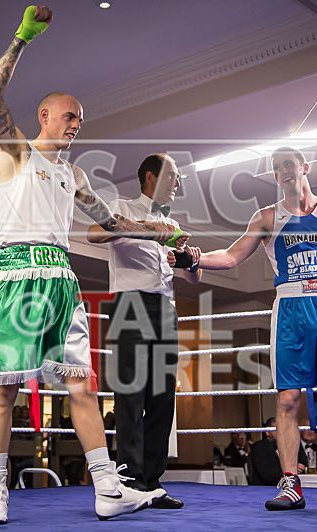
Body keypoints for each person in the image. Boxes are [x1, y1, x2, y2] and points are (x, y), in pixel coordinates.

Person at [0, 5, 186, 524]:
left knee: (82, 387)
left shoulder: (74, 175)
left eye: (81, 120)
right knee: (4, 390)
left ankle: (107, 490)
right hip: (18, 276)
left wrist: (155, 229)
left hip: (62, 281)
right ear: (46, 115)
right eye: (70, 115)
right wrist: (21, 39)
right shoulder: (18, 151)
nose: (76, 124)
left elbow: (110, 221)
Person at [194, 147, 317, 509]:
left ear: (305, 167)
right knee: (288, 398)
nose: (284, 171)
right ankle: (290, 482)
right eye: (277, 168)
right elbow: (230, 256)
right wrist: (194, 258)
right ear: (275, 177)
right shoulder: (266, 217)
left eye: (289, 164)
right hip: (291, 308)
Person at [87, 153, 199, 510]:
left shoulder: (174, 222)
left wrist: (188, 261)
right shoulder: (121, 206)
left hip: (165, 309)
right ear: (152, 176)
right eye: (174, 175)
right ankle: (129, 479)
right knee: (130, 396)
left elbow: (191, 277)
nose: (179, 183)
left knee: (164, 398)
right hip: (130, 304)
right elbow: (92, 233)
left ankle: (152, 481)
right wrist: (146, 229)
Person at [249, 418, 307, 486]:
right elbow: (266, 474)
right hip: (267, 488)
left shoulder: (293, 443)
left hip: (293, 485)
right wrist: (290, 470)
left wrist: (300, 467)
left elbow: (304, 462)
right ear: (267, 432)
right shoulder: (258, 447)